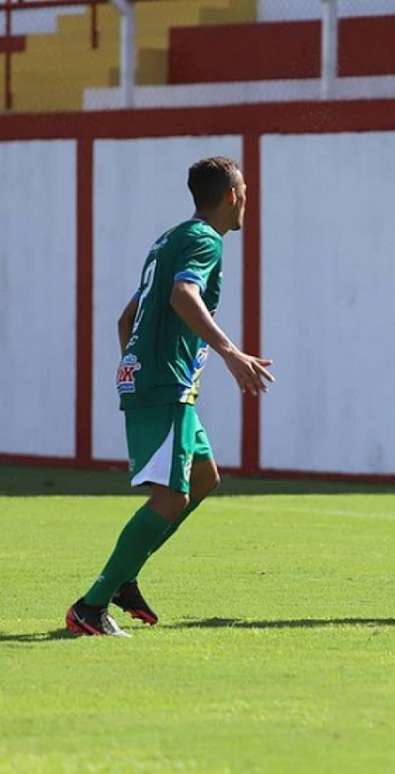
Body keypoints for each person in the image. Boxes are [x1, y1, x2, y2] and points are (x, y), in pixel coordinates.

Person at [66, 157, 274, 637]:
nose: (246, 198)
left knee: (203, 478)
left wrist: (136, 368)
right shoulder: (204, 239)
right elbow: (183, 295)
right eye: (244, 190)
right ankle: (91, 607)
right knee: (172, 495)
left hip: (159, 383)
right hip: (165, 386)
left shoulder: (170, 238)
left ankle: (124, 576)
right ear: (232, 195)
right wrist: (230, 352)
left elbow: (128, 317)